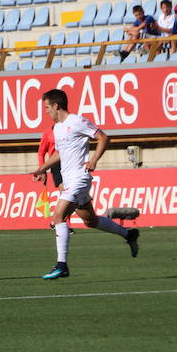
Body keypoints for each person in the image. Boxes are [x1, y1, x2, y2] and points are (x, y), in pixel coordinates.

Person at [31, 89, 140, 280]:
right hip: (70, 179)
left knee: (58, 217)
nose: (46, 111)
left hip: (79, 178)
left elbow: (104, 138)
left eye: (47, 107)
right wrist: (42, 169)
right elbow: (59, 154)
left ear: (56, 106)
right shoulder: (57, 128)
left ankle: (61, 265)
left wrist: (94, 160)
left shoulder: (77, 121)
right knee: (91, 221)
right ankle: (129, 235)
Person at [37, 125, 62, 192]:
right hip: (56, 163)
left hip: (70, 161)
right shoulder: (48, 133)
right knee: (64, 190)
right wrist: (42, 171)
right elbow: (41, 153)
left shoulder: (69, 129)